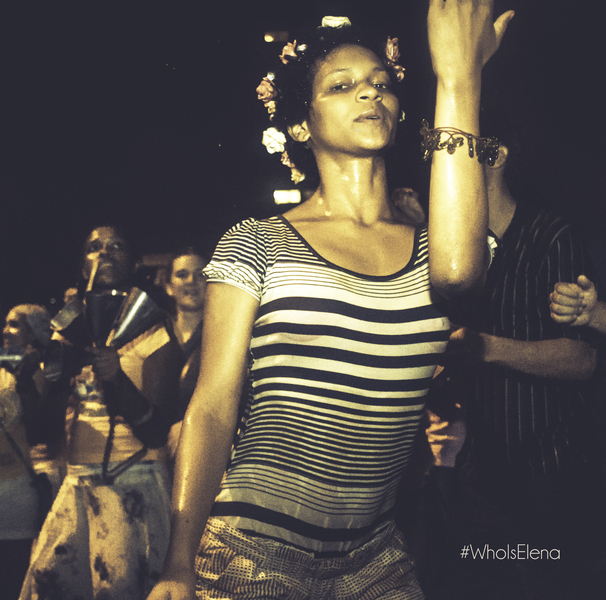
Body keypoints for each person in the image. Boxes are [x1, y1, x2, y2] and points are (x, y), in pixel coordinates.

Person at [149, 3, 513, 599]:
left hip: (376, 559)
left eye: (382, 83)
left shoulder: (438, 247)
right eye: (341, 86)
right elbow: (212, 406)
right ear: (301, 125)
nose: (370, 93)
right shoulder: (258, 242)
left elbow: (458, 276)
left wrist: (458, 77)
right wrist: (178, 564)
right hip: (251, 551)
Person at [426, 129, 605, 599]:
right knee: (475, 580)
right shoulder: (459, 254)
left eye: (461, 150)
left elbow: (582, 360)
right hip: (482, 472)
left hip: (549, 470)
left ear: (497, 154)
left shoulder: (551, 236)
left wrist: (484, 348)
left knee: (552, 584)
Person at [19, 225, 183, 600]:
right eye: (94, 247)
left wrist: (116, 377)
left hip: (134, 485)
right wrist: (43, 381)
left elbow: (157, 431)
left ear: (135, 263)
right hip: (78, 483)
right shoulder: (70, 330)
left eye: (116, 245)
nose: (104, 252)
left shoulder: (153, 326)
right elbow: (44, 432)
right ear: (83, 266)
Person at [1, 304, 52, 600]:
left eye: (15, 324)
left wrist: (24, 378)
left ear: (33, 333)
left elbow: (38, 430)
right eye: (6, 324)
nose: (6, 331)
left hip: (14, 492)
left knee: (11, 581)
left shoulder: (40, 374)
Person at [163, 248, 208, 461]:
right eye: (182, 275)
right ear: (168, 286)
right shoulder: (152, 336)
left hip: (203, 451)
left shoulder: (227, 338)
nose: (191, 281)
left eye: (201, 275)